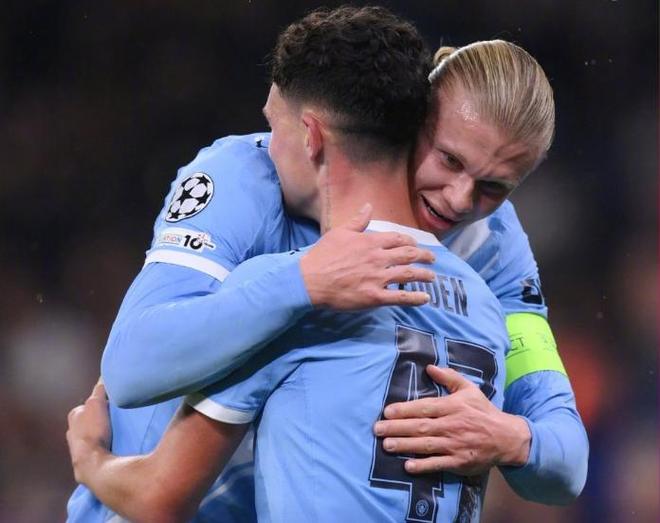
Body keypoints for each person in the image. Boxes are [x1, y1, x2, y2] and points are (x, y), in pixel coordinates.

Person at [66, 6, 587, 522]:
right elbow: (133, 365)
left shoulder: (494, 251)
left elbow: (565, 454)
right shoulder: (247, 179)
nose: (458, 199)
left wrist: (513, 439)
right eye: (448, 158)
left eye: (494, 187)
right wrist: (302, 283)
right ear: (412, 119)